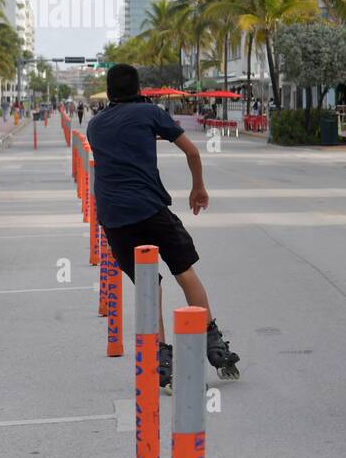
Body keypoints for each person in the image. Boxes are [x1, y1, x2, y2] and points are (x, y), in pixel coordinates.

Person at [87, 64, 239, 391]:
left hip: (113, 218)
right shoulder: (149, 112)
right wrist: (198, 188)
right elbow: (192, 151)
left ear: (110, 92)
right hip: (149, 209)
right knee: (184, 271)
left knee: (148, 283)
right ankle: (212, 340)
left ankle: (159, 358)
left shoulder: (95, 125)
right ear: (138, 87)